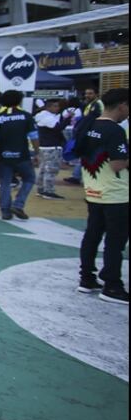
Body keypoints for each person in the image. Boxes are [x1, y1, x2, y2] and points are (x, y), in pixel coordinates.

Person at [77, 88, 129, 304]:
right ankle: (112, 285)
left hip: (93, 190)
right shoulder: (115, 131)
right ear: (122, 105)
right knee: (115, 241)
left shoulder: (89, 125)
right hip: (115, 193)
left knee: (92, 235)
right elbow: (117, 163)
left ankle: (87, 277)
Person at [0, 89, 39, 220]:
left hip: (3, 155)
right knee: (29, 178)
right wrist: (37, 153)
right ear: (19, 100)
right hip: (22, 155)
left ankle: (5, 211)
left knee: (5, 182)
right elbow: (34, 136)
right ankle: (18, 204)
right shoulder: (26, 116)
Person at [68, 88, 105, 185]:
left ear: (96, 94)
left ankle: (82, 177)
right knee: (84, 155)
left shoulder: (98, 104)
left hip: (93, 134)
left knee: (89, 156)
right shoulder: (88, 104)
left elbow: (98, 118)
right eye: (86, 93)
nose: (87, 95)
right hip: (86, 133)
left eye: (90, 93)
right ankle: (77, 176)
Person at [35, 97, 68, 200]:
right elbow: (57, 128)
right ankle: (48, 191)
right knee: (51, 170)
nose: (57, 108)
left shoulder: (42, 116)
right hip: (52, 146)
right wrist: (68, 119)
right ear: (48, 107)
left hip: (44, 146)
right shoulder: (48, 117)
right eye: (55, 106)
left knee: (43, 169)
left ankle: (41, 189)